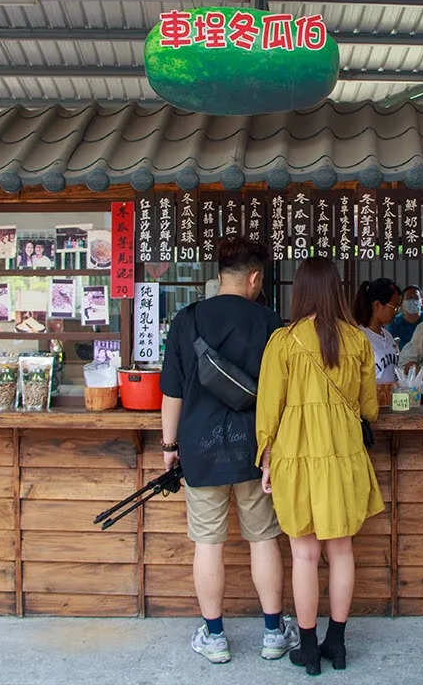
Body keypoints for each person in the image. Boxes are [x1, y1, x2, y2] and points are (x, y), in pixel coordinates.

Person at [158, 236, 296, 666]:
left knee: (207, 543)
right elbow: (283, 396)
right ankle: (273, 634)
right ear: (255, 278)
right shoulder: (270, 323)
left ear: (220, 275)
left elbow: (172, 392)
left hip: (199, 447)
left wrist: (169, 446)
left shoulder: (187, 319)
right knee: (264, 540)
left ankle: (215, 636)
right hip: (256, 450)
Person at [256, 258, 386, 676]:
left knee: (305, 555)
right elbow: (370, 408)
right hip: (344, 454)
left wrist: (266, 459)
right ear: (337, 291)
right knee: (342, 550)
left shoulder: (283, 340)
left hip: (295, 456)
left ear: (302, 293)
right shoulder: (358, 340)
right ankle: (339, 645)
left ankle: (308, 648)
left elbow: (268, 410)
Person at [352, 278, 402, 385]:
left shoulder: (387, 335)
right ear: (377, 305)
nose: (397, 312)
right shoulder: (359, 336)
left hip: (389, 399)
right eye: (394, 306)